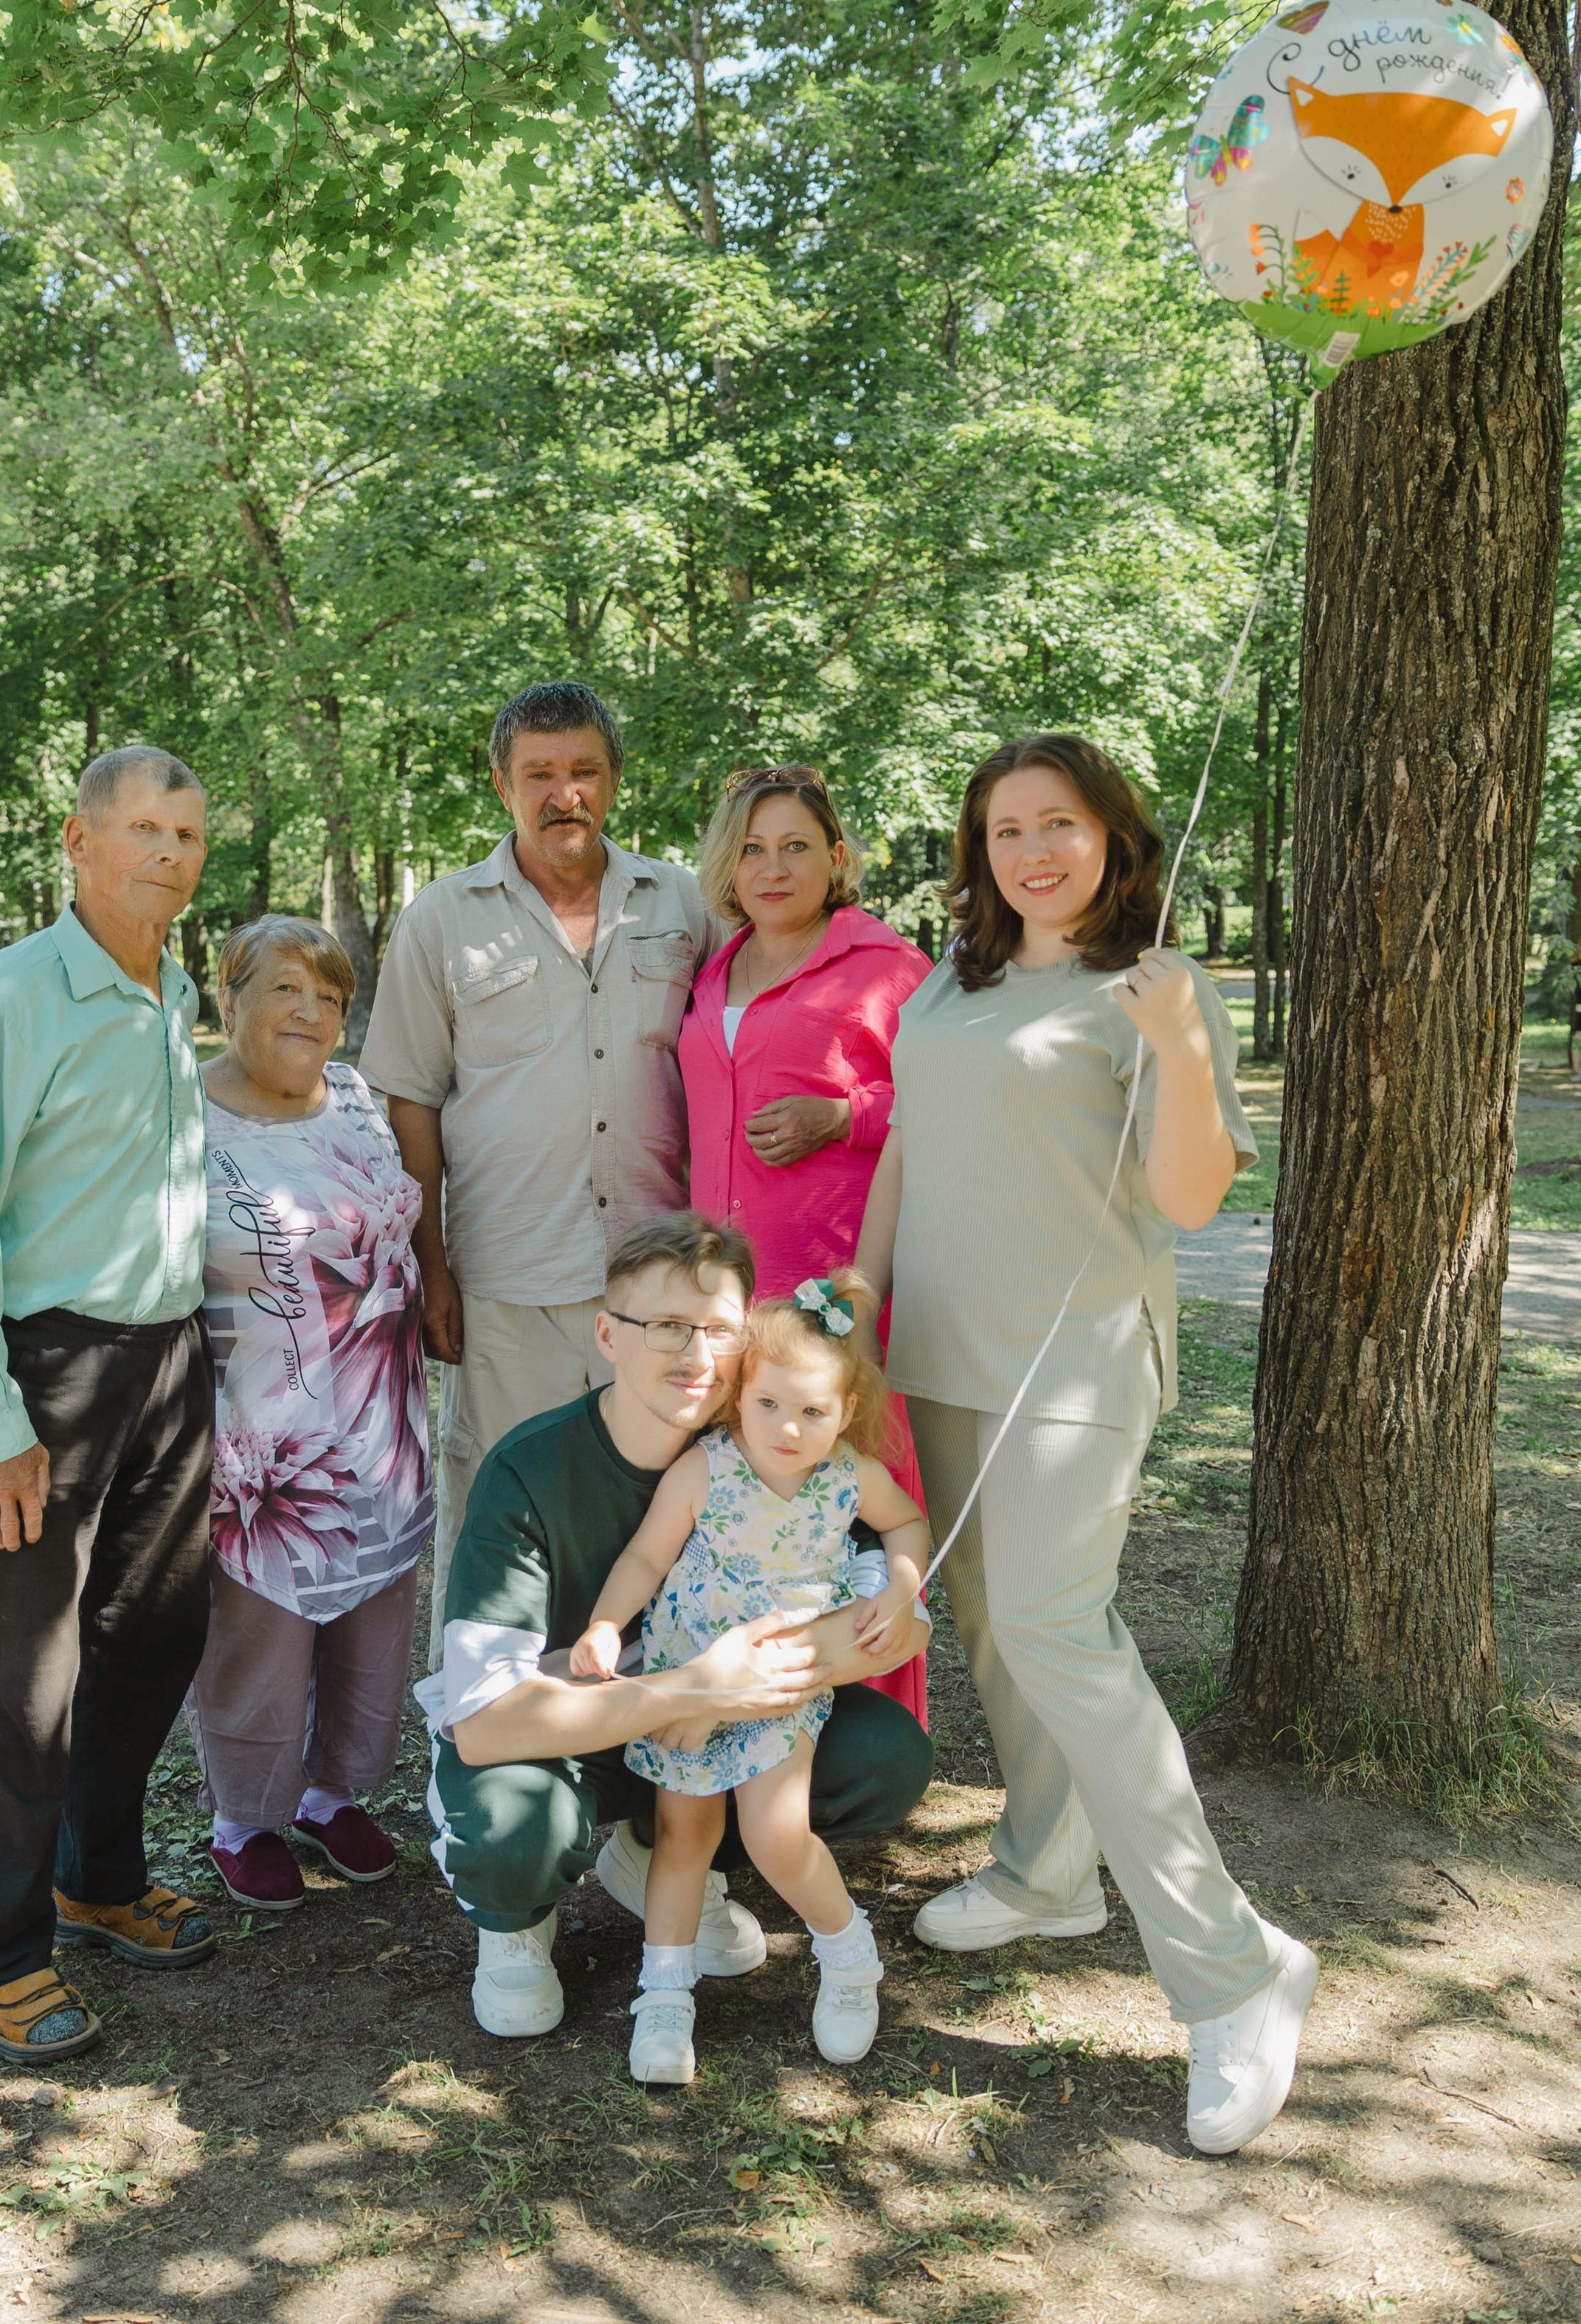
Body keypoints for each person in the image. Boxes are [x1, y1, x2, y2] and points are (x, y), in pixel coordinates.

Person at [853, 732, 1317, 2156]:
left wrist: (1179, 1045)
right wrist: (854, 1313)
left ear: (1115, 837)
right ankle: (1049, 1868)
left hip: (1078, 1359)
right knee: (992, 1621)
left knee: (1059, 1631)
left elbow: (1188, 1196)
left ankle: (1236, 1971)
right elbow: (907, 1153)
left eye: (1059, 824)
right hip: (938, 1352)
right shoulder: (956, 979)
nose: (1033, 851)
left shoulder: (1156, 992)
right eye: (1005, 830)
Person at [415, 1210, 935, 2040]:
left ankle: (661, 1851)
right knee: (516, 1827)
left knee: (883, 1755)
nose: (695, 1357)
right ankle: (514, 1922)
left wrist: (733, 1689)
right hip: (567, 1728)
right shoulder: (528, 1468)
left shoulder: (782, 1447)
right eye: (663, 1326)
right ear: (607, 1334)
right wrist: (694, 1686)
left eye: (718, 1331)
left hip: (711, 1734)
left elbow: (897, 1623)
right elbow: (483, 1723)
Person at [0, 745, 219, 2067]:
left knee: (150, 1642)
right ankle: (3, 1954)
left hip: (167, 1362)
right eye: (142, 827)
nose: (168, 852)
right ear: (80, 842)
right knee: (26, 1685)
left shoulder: (171, 989)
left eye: (188, 835)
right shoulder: (12, 997)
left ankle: (99, 1881)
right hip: (48, 1375)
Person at [361, 680, 722, 1652]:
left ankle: (633, 1760)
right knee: (501, 1505)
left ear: (613, 782)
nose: (566, 794)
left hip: (657, 1283)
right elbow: (411, 1099)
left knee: (657, 1509)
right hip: (508, 1277)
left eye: (585, 773)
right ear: (502, 784)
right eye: (541, 776)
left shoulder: (681, 902)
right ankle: (475, 1756)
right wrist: (431, 1264)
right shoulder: (442, 917)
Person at [572, 1269, 929, 2084]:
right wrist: (605, 1621)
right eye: (769, 1403)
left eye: (813, 1411)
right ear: (740, 1397)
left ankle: (847, 1954)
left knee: (775, 1834)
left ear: (844, 1413)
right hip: (689, 1674)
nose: (788, 1426)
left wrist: (903, 1585)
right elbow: (645, 1554)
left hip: (778, 1682)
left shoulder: (845, 1476)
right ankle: (663, 1994)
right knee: (684, 1834)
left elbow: (907, 1520)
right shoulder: (706, 1468)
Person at [184, 914, 432, 1910]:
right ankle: (244, 1815)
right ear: (230, 995)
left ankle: (333, 1794)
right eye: (285, 987)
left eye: (329, 996)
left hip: (382, 1418)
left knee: (373, 1621)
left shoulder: (360, 1099)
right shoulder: (183, 1114)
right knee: (262, 1630)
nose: (311, 1012)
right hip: (260, 1440)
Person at [679, 763, 933, 1722]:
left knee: (854, 1513)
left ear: (837, 857)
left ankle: (873, 1735)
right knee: (751, 1519)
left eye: (796, 846)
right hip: (731, 1303)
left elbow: (944, 1103)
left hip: (835, 1292)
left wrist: (845, 1117)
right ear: (728, 865)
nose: (773, 866)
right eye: (752, 848)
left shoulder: (889, 967)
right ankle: (758, 1732)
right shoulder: (717, 966)